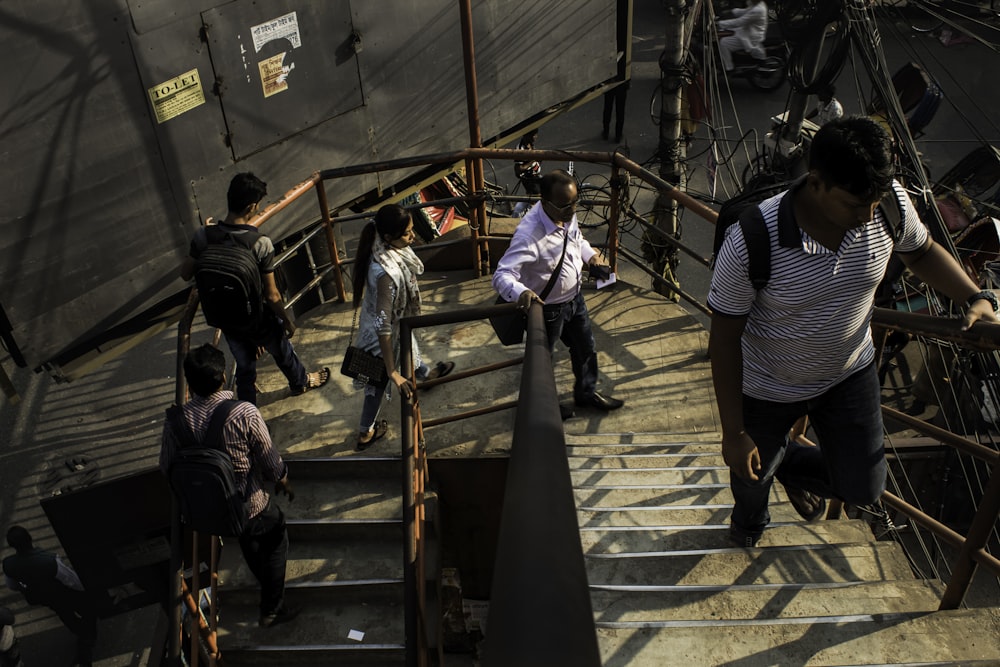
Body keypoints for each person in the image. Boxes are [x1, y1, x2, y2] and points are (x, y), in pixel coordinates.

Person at [708, 116, 1000, 547]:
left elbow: (920, 252)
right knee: (751, 479)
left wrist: (977, 297)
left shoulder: (887, 205)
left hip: (848, 373)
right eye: (852, 205)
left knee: (864, 488)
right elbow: (725, 339)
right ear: (817, 181)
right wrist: (733, 433)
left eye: (873, 201)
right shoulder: (752, 240)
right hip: (767, 387)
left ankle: (784, 463)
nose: (866, 217)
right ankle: (748, 527)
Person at [159, 344, 298, 628]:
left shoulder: (175, 422)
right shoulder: (244, 413)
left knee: (248, 540)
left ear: (189, 383)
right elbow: (269, 461)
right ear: (223, 378)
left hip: (207, 513)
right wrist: (283, 477)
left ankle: (264, 579)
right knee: (275, 539)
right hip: (250, 504)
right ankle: (273, 607)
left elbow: (166, 467)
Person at [180, 172, 329, 405]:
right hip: (259, 320)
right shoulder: (260, 243)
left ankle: (249, 416)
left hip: (227, 320)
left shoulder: (203, 236)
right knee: (283, 352)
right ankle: (300, 382)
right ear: (252, 206)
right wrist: (288, 322)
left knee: (245, 370)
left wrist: (204, 236)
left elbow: (186, 273)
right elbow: (272, 295)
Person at [493, 169, 624, 416]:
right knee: (541, 364)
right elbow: (502, 275)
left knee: (586, 348)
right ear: (545, 202)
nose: (573, 211)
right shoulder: (529, 235)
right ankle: (544, 407)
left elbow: (577, 240)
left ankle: (586, 394)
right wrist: (522, 292)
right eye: (565, 206)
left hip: (575, 300)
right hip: (548, 309)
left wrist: (592, 257)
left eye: (576, 203)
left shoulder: (565, 214)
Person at [351, 205, 455, 450]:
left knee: (411, 351)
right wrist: (392, 373)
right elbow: (383, 326)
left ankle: (426, 375)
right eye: (407, 234)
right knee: (376, 385)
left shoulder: (379, 246)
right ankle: (365, 432)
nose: (413, 237)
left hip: (392, 325)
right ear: (389, 238)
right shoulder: (385, 274)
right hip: (381, 340)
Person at [3, 526, 96, 666]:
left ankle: (81, 631)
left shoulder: (9, 564)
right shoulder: (49, 560)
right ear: (29, 538)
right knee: (87, 609)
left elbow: (12, 585)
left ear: (12, 545)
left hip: (44, 597)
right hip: (64, 593)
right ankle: (88, 633)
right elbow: (71, 580)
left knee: (64, 613)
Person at [717, 0, 768, 73]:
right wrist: (732, 11)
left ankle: (729, 67)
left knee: (723, 42)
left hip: (751, 36)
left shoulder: (758, 10)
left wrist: (719, 23)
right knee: (724, 30)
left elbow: (739, 22)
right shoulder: (758, 4)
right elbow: (745, 11)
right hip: (747, 30)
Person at [512, 130, 542, 217]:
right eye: (533, 135)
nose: (535, 137)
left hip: (536, 177)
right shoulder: (520, 148)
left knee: (534, 200)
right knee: (534, 200)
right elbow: (518, 169)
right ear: (526, 135)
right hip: (529, 180)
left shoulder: (530, 144)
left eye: (536, 134)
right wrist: (533, 159)